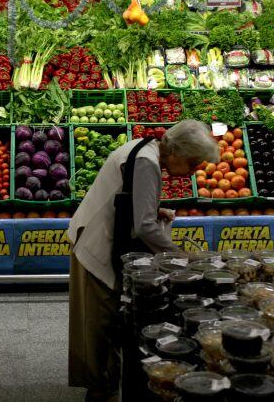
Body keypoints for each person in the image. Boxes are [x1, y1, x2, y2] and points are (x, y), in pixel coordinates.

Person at [67, 119, 220, 402]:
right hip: (97, 245)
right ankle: (100, 388)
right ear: (178, 153)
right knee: (99, 321)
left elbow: (130, 199)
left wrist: (153, 208)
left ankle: (106, 382)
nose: (192, 172)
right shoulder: (148, 163)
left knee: (104, 317)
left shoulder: (145, 148)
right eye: (193, 163)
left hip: (95, 233)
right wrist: (180, 256)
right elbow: (145, 227)